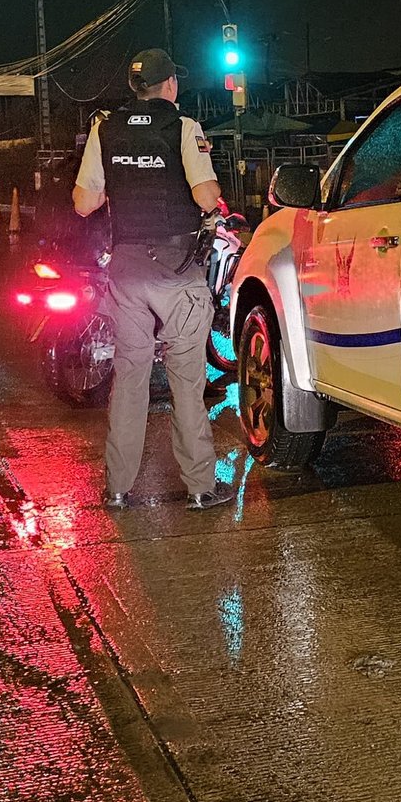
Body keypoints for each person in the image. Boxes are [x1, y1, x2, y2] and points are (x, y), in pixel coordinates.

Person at [73, 47, 231, 510]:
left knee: (130, 377)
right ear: (170, 86)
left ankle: (118, 489)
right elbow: (205, 197)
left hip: (126, 270)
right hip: (176, 269)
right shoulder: (184, 129)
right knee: (185, 378)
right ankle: (201, 487)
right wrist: (212, 189)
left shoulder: (106, 129)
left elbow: (84, 203)